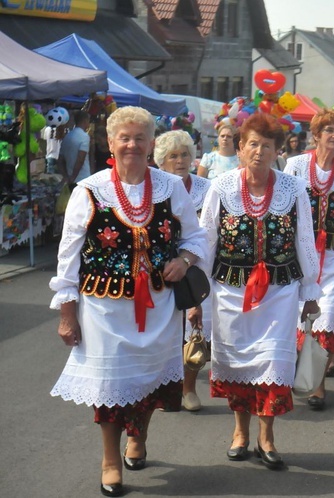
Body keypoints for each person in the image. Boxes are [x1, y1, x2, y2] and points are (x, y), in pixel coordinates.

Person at [49, 106, 207, 497]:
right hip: (105, 309)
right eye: (125, 138)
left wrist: (182, 260)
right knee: (110, 385)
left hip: (160, 307)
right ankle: (110, 460)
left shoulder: (170, 187)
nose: (132, 145)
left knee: (151, 380)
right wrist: (68, 316)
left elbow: (197, 238)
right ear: (112, 142)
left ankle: (139, 436)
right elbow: (68, 260)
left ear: (152, 143)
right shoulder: (89, 190)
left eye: (140, 138)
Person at [200, 112, 321, 468]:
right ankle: (240, 432)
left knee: (273, 363)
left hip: (279, 293)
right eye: (252, 144)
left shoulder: (293, 188)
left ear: (277, 151)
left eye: (267, 146)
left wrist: (310, 291)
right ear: (240, 148)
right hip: (230, 292)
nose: (259, 152)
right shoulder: (221, 187)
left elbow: (304, 239)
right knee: (235, 364)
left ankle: (266, 437)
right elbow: (207, 240)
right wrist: (199, 296)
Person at [284, 109, 334, 409]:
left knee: (327, 316)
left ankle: (317, 381)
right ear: (315, 135)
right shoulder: (295, 166)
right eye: (328, 129)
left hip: (333, 256)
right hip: (297, 255)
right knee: (293, 317)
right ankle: (289, 374)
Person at [153, 130, 213, 412]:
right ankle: (166, 387)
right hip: (162, 269)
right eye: (173, 156)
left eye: (185, 154)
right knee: (165, 330)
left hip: (199, 265)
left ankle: (188, 388)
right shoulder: (154, 188)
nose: (180, 160)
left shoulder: (207, 188)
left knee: (196, 328)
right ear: (161, 162)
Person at [58, 110, 92, 187]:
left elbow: (60, 160)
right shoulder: (84, 137)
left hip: (69, 178)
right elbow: (80, 158)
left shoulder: (67, 136)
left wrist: (66, 176)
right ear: (85, 120)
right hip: (83, 178)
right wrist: (73, 176)